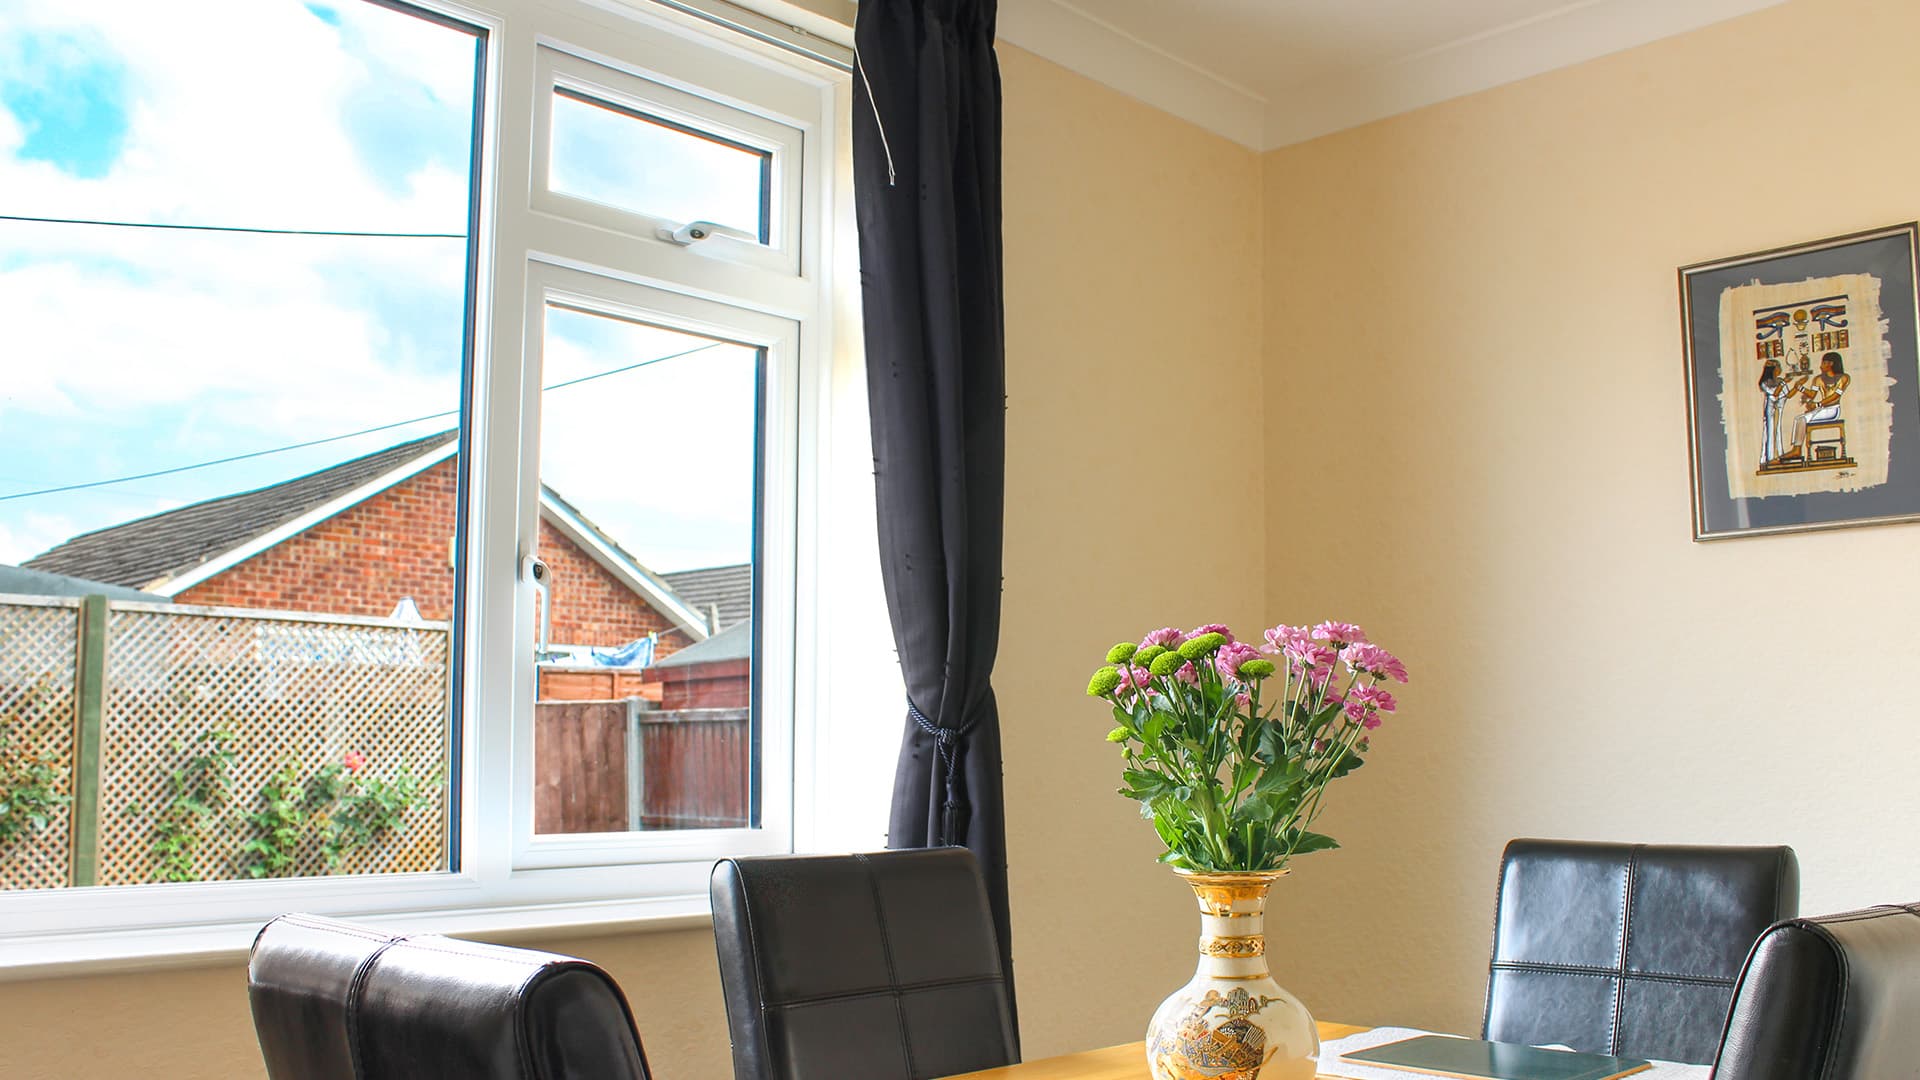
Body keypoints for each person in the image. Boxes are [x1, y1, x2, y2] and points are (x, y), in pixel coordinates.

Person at [1777, 352, 1849, 462]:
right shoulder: (1818, 379)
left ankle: (1797, 450)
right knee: (1799, 419)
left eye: (1824, 363)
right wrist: (1800, 388)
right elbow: (1812, 394)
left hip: (1833, 410)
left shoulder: (1843, 378)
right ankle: (1796, 449)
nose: (1821, 366)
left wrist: (1817, 404)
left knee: (1802, 419)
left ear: (1831, 364)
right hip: (1822, 409)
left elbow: (1835, 396)